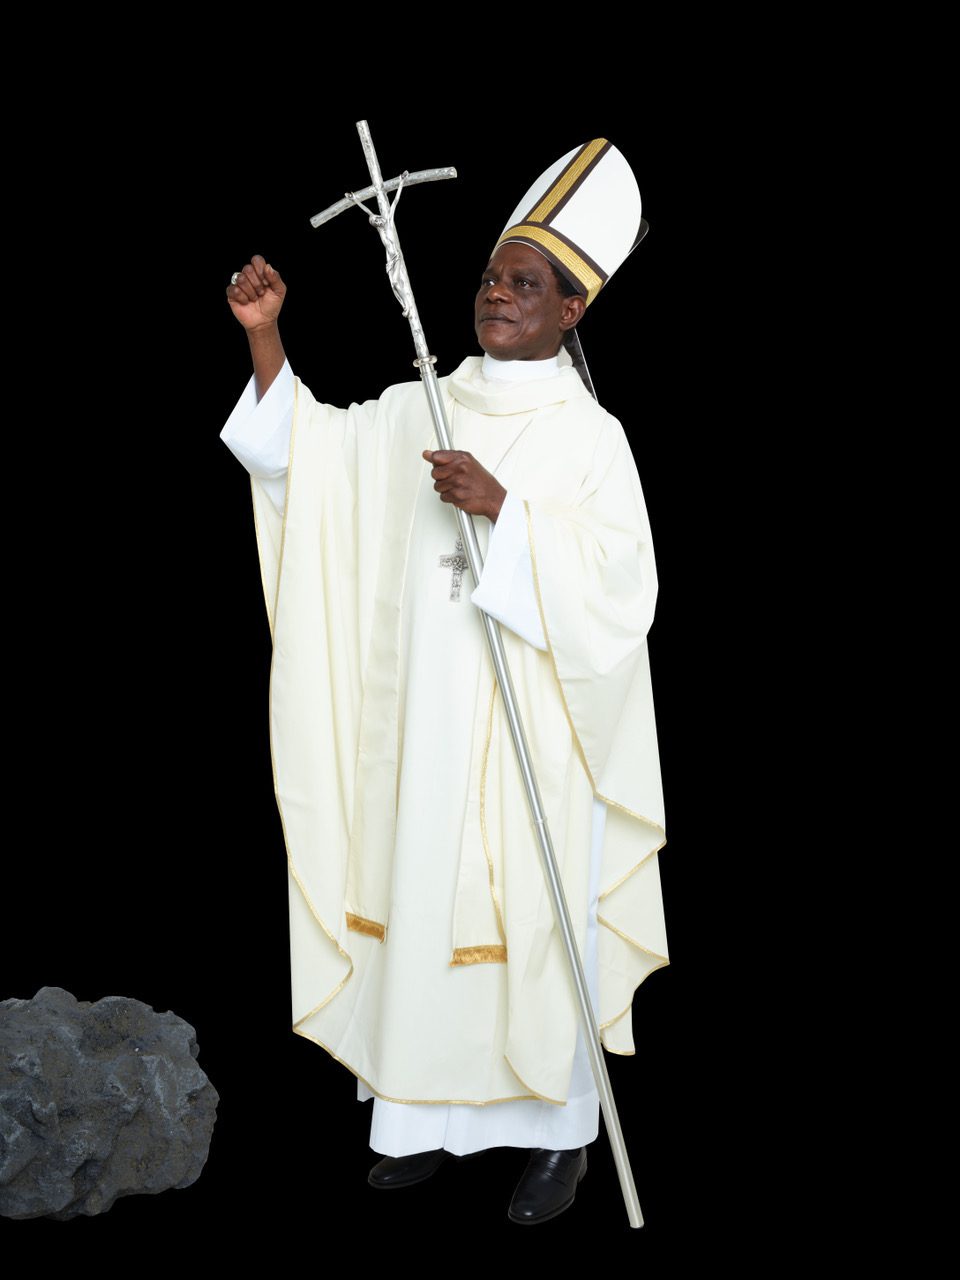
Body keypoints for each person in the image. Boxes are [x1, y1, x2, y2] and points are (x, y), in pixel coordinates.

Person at [220, 138, 669, 1225]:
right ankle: (417, 1120)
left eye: (526, 284)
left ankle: (558, 1141)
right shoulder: (419, 404)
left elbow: (623, 590)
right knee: (419, 903)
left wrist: (506, 512)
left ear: (571, 311)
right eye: (491, 277)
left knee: (537, 924)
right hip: (424, 731)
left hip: (534, 744)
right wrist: (266, 337)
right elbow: (310, 464)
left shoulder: (591, 438)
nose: (497, 294)